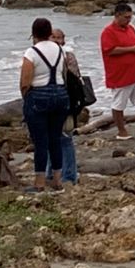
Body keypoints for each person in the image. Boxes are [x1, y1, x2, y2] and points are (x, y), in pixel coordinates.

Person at [19, 17, 71, 192]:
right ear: (50, 32)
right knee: (55, 139)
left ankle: (40, 183)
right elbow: (63, 73)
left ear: (33, 34)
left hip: (39, 95)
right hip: (61, 95)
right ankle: (58, 181)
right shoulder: (59, 50)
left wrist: (26, 98)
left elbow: (25, 81)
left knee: (40, 142)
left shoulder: (32, 53)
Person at [100, 2, 135, 140]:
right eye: (126, 17)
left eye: (130, 17)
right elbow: (110, 50)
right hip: (120, 74)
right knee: (119, 103)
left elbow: (133, 46)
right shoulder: (108, 31)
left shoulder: (131, 29)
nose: (129, 20)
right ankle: (121, 131)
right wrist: (132, 49)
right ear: (117, 15)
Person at [50, 27, 85, 186]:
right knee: (51, 138)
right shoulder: (45, 55)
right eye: (53, 37)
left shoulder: (68, 57)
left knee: (65, 138)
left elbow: (74, 80)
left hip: (65, 102)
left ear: (64, 40)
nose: (57, 40)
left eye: (59, 37)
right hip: (51, 102)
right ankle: (51, 172)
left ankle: (69, 175)